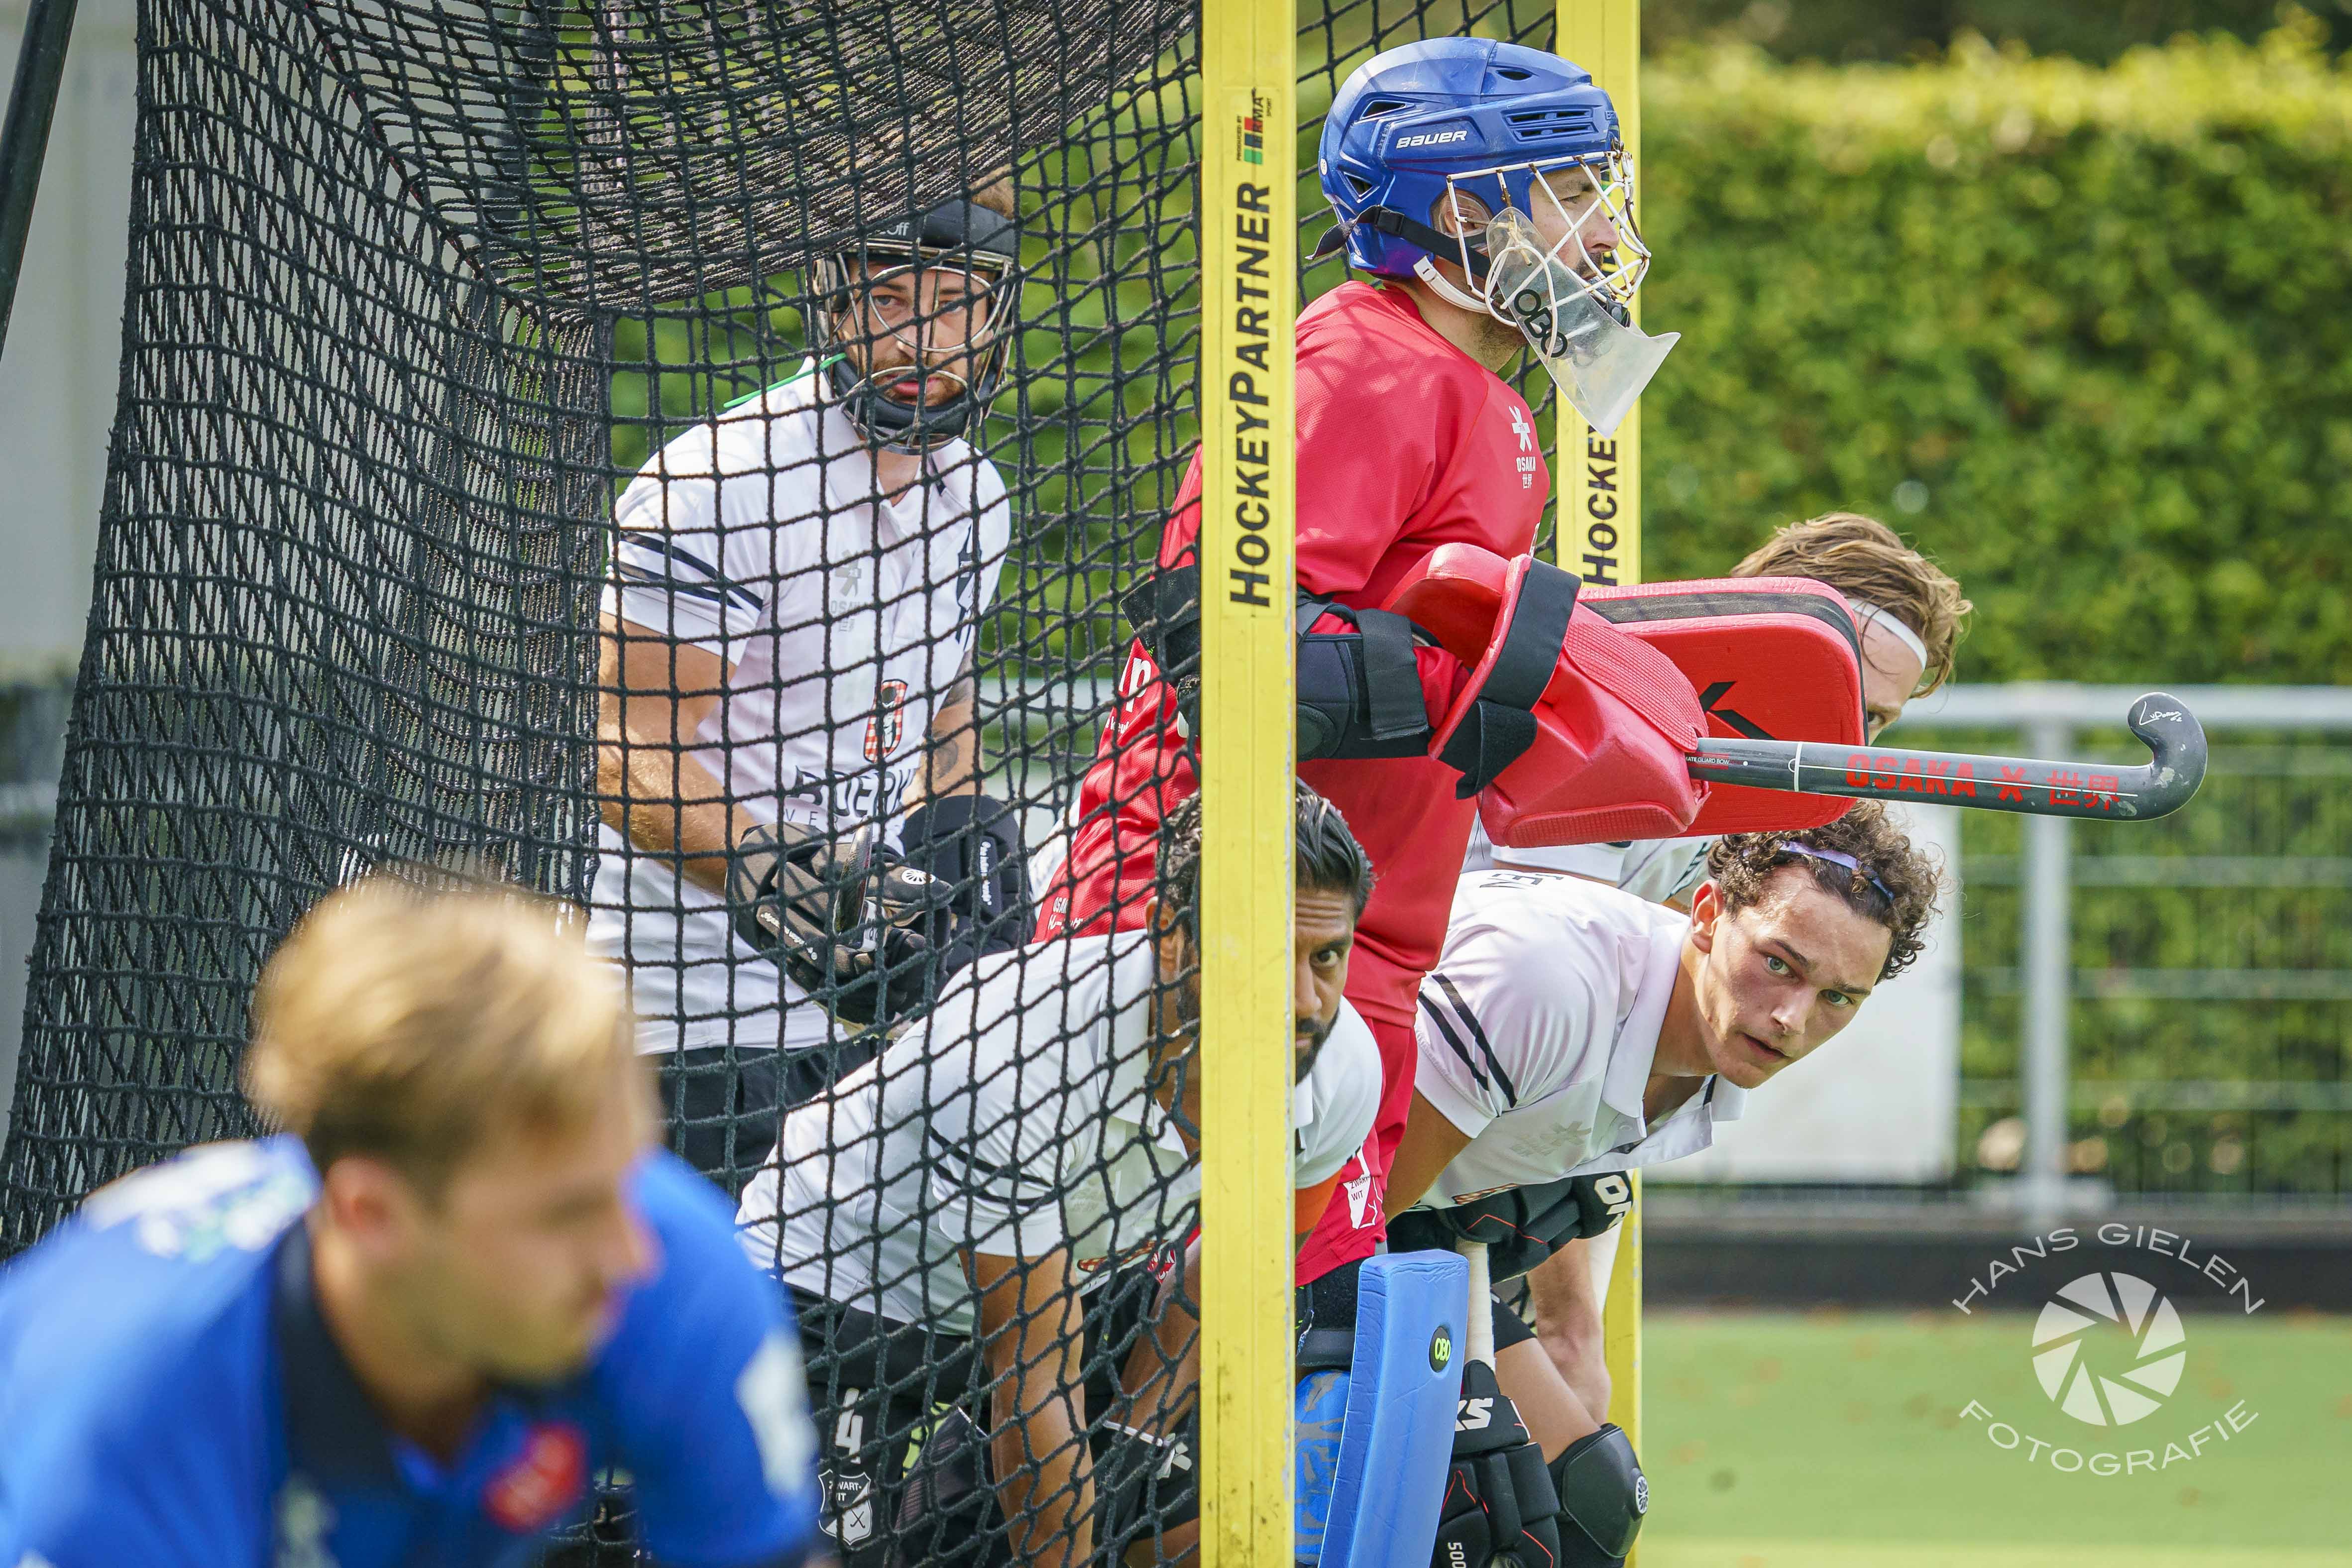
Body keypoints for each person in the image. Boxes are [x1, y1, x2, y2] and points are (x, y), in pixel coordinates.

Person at [1038, 35, 1666, 1291]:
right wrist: (1501, 695)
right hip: (1211, 927)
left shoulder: (1481, 387)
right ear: (1462, 213)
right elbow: (1233, 645)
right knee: (1198, 1363)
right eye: (1573, 192)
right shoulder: (1368, 365)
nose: (1604, 232)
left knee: (1301, 1349)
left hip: (1354, 945)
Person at [0, 873, 822, 1568]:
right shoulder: (131, 1431)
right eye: (565, 1213)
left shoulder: (673, 1272)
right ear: (373, 1215)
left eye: (628, 1175)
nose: (630, 1253)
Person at [739, 784, 1384, 1568]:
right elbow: (1030, 1376)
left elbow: (1237, 1266)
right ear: (1172, 937)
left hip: (1056, 1281)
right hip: (840, 1278)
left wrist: (1131, 1442)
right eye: (1268, 951)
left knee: (1182, 1524)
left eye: (1326, 956)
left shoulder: (1343, 1070)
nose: (1304, 1001)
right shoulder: (1023, 1046)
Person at [593, 190, 1030, 1189]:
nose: (924, 337)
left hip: (864, 1013)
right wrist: (766, 868)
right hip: (686, 1023)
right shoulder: (719, 480)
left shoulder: (978, 499)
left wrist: (954, 810)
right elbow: (622, 753)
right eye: (888, 300)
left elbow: (940, 700)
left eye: (956, 302)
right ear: (835, 309)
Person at [1381, 805, 1943, 1568]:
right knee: (1477, 1514)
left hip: (1400, 1230)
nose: (1791, 1017)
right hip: (1256, 1207)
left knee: (1586, 1506)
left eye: (1839, 997)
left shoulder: (1703, 1052)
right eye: (1780, 962)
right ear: (1707, 914)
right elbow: (1351, 1202)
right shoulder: (1546, 982)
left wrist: (1570, 1329)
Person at [1466, 510, 1973, 904]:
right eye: (1838, 691)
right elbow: (1541, 937)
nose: (1852, 742)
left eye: (1876, 719)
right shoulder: (1620, 715)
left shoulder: (1743, 828)